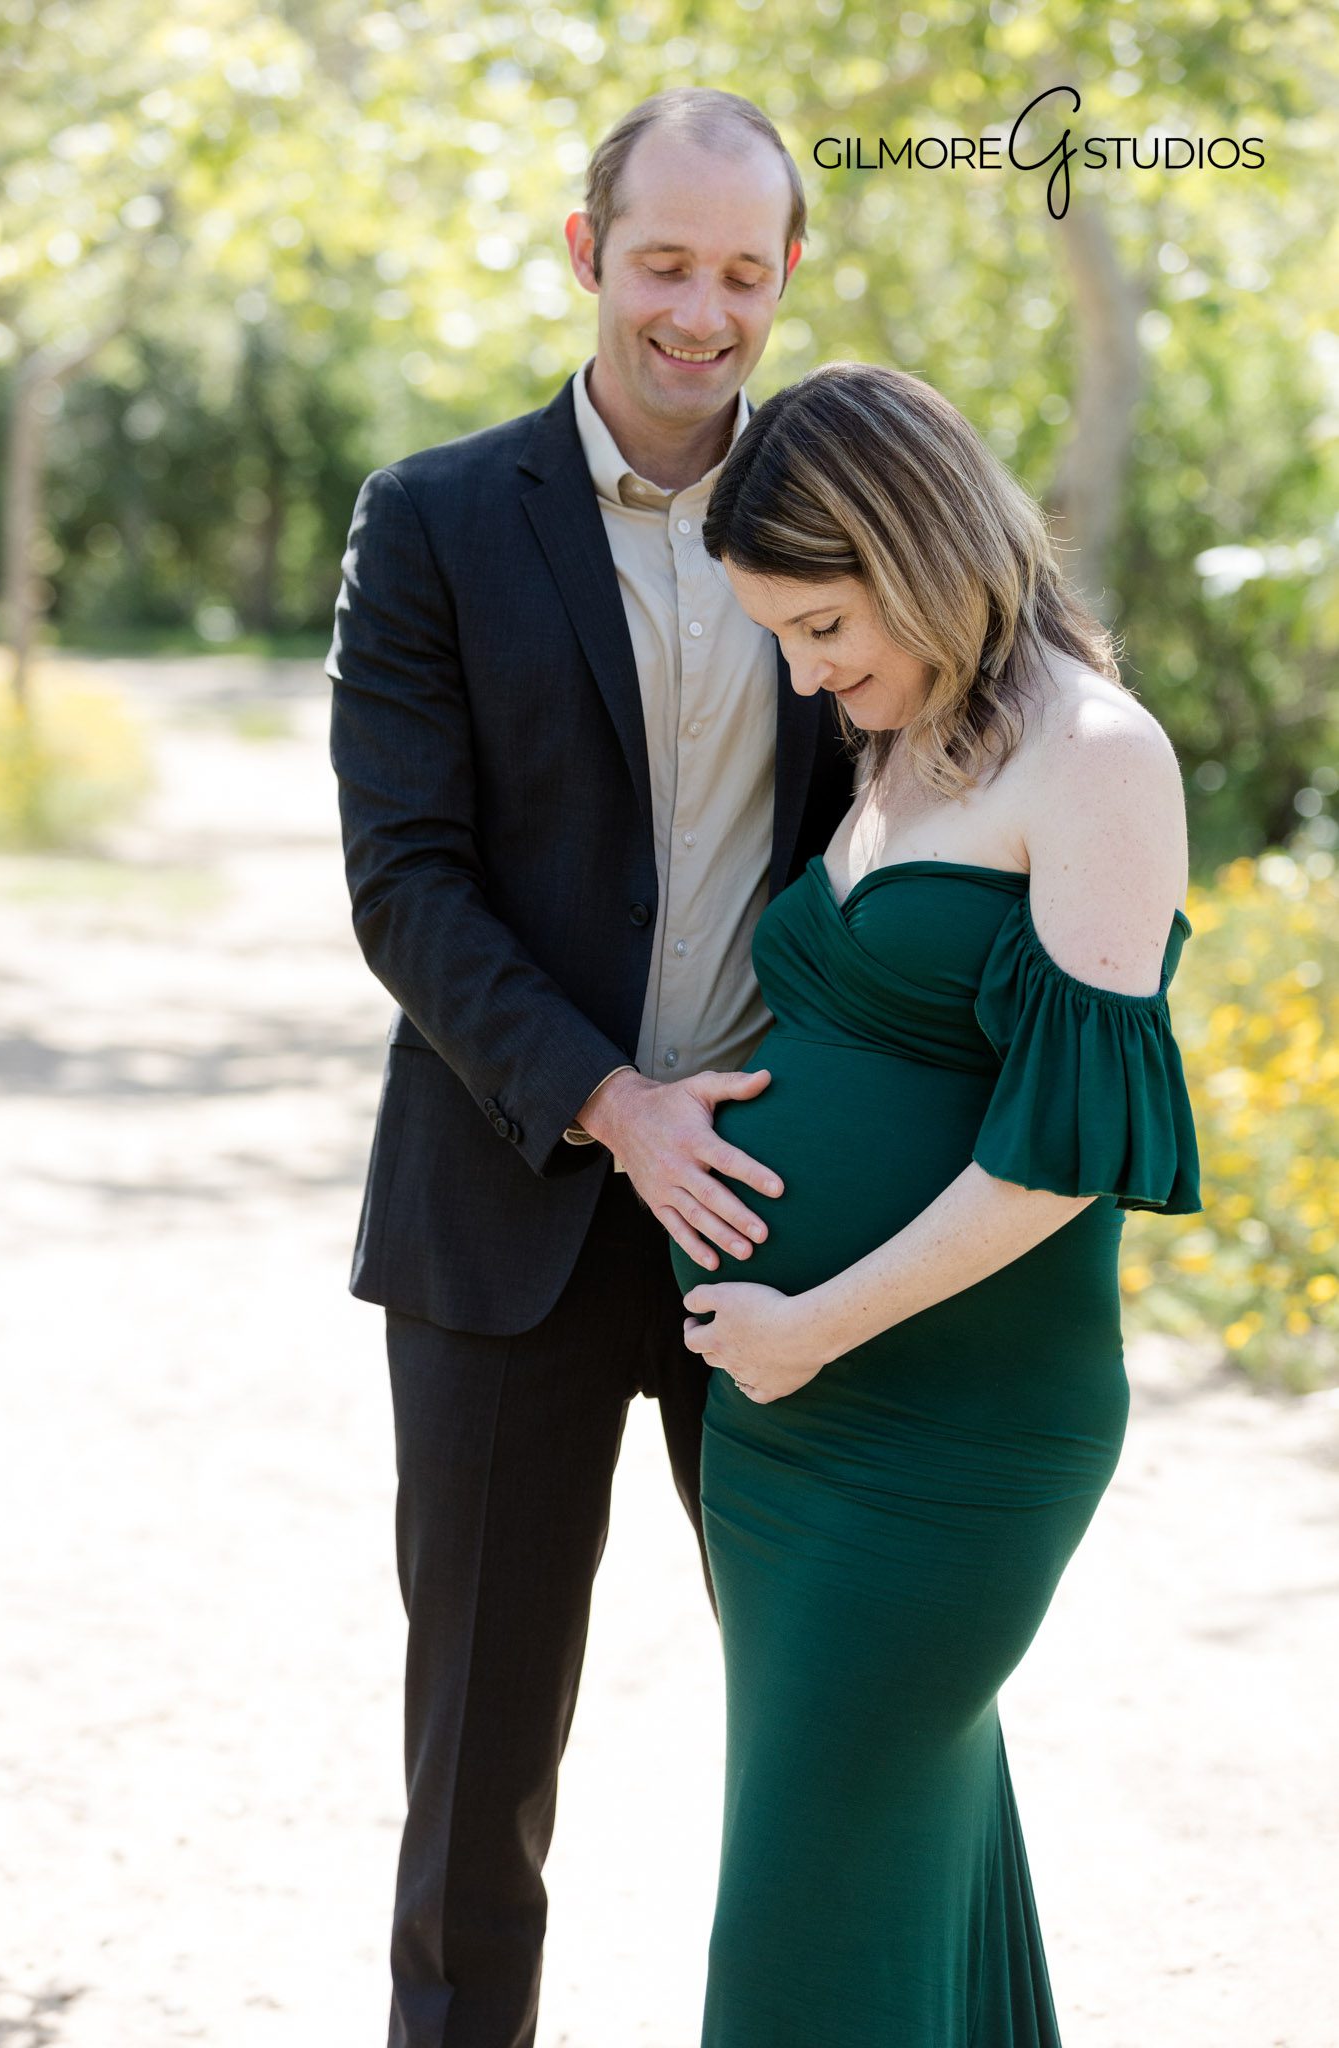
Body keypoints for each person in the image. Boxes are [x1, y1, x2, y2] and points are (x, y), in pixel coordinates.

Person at [325, 90, 853, 2048]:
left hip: (790, 1217)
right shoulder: (436, 517)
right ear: (582, 253)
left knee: (837, 1735)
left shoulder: (846, 505)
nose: (698, 312)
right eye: (662, 263)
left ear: (782, 273)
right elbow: (405, 881)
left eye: (739, 270)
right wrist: (606, 1097)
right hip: (509, 1202)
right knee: (478, 1772)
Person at [667, 360, 1204, 2046]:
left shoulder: (1096, 756)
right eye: (785, 638)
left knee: (808, 1889)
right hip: (788, 1422)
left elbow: (1063, 1153)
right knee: (897, 1847)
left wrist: (801, 1329)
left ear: (916, 549)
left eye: (824, 626)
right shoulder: (902, 743)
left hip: (947, 1430)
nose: (811, 675)